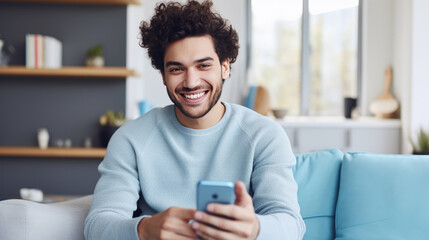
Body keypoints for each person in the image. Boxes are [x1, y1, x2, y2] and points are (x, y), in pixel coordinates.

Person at [84, 0, 305, 239]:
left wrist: (255, 229)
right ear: (163, 76)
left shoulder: (265, 135)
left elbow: (291, 224)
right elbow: (97, 225)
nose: (191, 82)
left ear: (225, 67)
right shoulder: (130, 139)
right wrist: (145, 229)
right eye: (177, 69)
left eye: (203, 65)